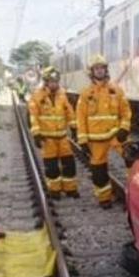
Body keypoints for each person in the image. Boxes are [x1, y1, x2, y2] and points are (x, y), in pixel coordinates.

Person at [76, 55, 132, 208]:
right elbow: (80, 118)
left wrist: (124, 128)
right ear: (92, 72)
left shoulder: (116, 90)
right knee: (99, 171)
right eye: (96, 68)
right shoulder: (86, 94)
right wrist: (83, 141)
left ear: (106, 70)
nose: (100, 71)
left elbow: (126, 112)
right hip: (96, 140)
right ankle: (104, 198)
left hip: (115, 134)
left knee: (131, 158)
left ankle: (135, 194)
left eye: (102, 68)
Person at [28, 66, 78, 199]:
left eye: (56, 81)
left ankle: (70, 189)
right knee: (52, 168)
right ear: (46, 82)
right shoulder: (37, 97)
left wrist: (73, 127)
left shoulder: (62, 95)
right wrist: (36, 134)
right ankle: (54, 190)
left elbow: (69, 112)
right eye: (51, 81)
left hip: (62, 138)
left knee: (69, 165)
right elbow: (33, 116)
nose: (54, 84)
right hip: (48, 139)